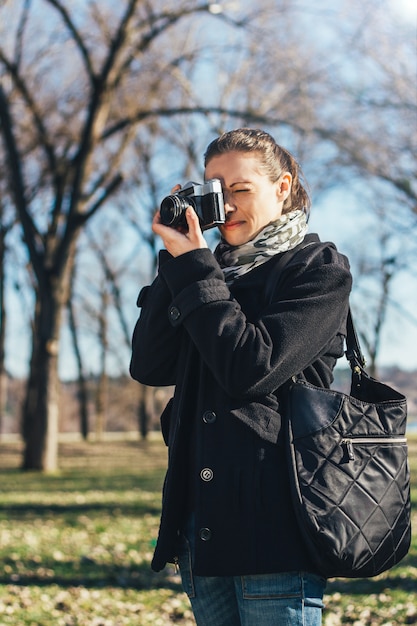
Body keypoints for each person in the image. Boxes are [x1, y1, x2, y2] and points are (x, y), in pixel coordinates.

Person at [130, 128, 352, 626]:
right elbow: (148, 365)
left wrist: (196, 273)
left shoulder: (316, 271)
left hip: (273, 526)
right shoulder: (202, 272)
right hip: (200, 525)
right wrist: (175, 260)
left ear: (283, 186)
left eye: (241, 189)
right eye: (214, 190)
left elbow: (251, 368)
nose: (225, 205)